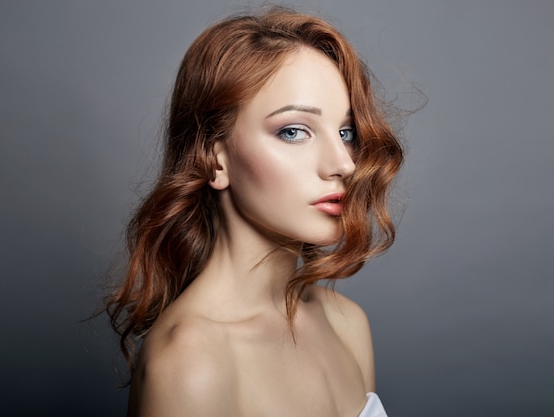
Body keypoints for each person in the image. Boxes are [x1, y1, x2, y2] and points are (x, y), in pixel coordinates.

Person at [106, 6, 403, 417]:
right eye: (294, 131)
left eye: (346, 132)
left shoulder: (346, 324)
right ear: (216, 159)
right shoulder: (190, 363)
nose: (344, 163)